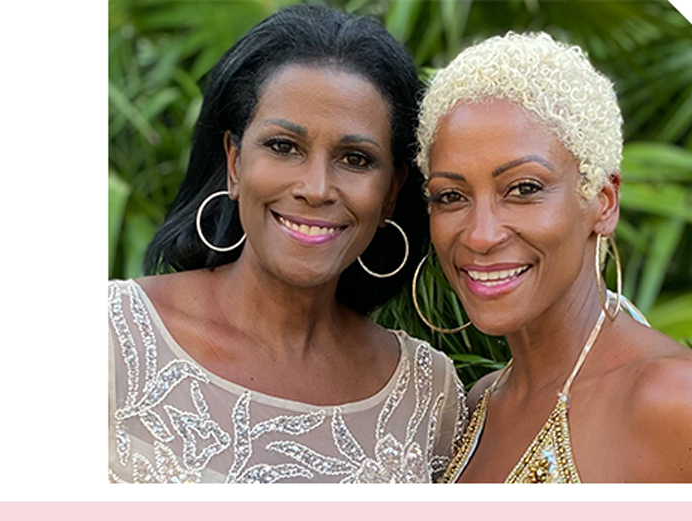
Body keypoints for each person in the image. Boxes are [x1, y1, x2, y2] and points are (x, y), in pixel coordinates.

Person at [108, 4, 464, 483]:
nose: (316, 188)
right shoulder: (111, 337)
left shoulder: (426, 396)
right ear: (235, 162)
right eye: (283, 147)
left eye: (355, 159)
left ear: (391, 193)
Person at [414, 32, 692, 483]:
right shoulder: (478, 406)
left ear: (602, 201)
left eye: (524, 189)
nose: (480, 235)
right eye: (451, 196)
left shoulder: (678, 401)